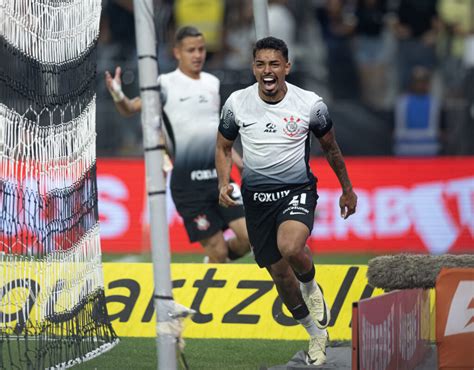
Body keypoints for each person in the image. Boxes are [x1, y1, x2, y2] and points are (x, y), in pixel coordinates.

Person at [215, 37, 357, 366]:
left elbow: (331, 148)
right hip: (257, 201)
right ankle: (315, 334)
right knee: (280, 276)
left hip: (297, 191)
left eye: (274, 64)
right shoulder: (236, 103)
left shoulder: (310, 104)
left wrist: (347, 189)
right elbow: (223, 147)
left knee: (291, 248)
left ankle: (312, 288)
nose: (267, 70)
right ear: (253, 68)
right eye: (261, 64)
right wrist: (225, 181)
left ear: (287, 68)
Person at [105, 26, 250, 263]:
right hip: (188, 185)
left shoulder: (212, 83)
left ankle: (214, 266)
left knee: (249, 238)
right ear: (177, 53)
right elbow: (130, 108)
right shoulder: (164, 84)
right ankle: (214, 271)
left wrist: (237, 160)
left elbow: (216, 131)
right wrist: (118, 95)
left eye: (201, 49)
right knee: (219, 252)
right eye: (191, 50)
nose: (197, 55)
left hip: (219, 178)